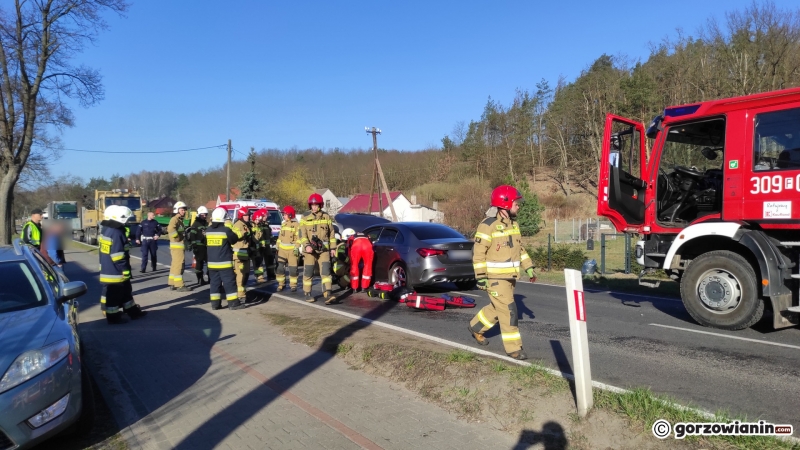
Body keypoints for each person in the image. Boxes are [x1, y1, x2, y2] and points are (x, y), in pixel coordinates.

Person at [467, 185, 536, 361]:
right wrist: (481, 277)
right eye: (516, 203)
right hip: (495, 279)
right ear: (505, 205)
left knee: (497, 308)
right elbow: (478, 253)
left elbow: (519, 249)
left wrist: (528, 266)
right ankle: (513, 348)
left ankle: (475, 327)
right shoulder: (487, 226)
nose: (518, 206)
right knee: (509, 311)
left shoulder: (514, 225)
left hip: (510, 278)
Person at [98, 205, 147, 324]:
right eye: (127, 219)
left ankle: (133, 312)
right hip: (116, 271)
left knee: (125, 291)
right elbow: (117, 255)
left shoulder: (107, 229)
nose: (128, 222)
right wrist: (125, 270)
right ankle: (113, 318)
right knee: (114, 296)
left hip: (108, 268)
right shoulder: (116, 232)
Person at [297, 193, 336, 304]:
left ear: (320, 205)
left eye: (316, 205)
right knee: (309, 272)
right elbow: (302, 234)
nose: (314, 207)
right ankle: (308, 294)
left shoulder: (326, 217)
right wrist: (307, 246)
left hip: (323, 250)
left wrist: (333, 248)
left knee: (326, 272)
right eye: (312, 205)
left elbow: (331, 234)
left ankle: (327, 294)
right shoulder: (304, 217)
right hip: (310, 251)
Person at [206, 207, 245, 310]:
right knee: (229, 282)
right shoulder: (226, 230)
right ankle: (233, 304)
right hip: (224, 263)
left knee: (214, 283)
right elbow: (234, 240)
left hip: (211, 264)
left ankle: (215, 304)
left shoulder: (208, 230)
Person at [275, 206, 299, 292]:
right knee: (280, 268)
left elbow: (298, 238)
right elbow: (280, 236)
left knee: (293, 269)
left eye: (285, 214)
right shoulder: (283, 224)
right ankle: (281, 284)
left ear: (290, 215)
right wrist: (277, 245)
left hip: (292, 251)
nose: (283, 216)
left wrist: (297, 247)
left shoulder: (296, 225)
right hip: (282, 250)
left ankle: (293, 285)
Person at [168, 201, 190, 292]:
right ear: (177, 210)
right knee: (179, 265)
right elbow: (170, 229)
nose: (184, 211)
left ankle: (172, 282)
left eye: (184, 210)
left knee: (174, 265)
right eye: (182, 210)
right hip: (177, 246)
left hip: (177, 246)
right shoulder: (175, 219)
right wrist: (177, 238)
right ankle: (179, 285)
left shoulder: (180, 220)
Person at [231, 208, 253, 303]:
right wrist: (245, 233)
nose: (248, 216)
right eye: (246, 215)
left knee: (246, 274)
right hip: (238, 255)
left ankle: (242, 292)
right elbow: (235, 235)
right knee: (240, 275)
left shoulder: (246, 224)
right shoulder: (237, 224)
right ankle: (240, 295)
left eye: (248, 215)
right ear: (241, 216)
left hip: (246, 254)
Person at [188, 206, 209, 286]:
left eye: (206, 215)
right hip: (199, 247)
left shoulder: (206, 223)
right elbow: (192, 235)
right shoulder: (195, 224)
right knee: (199, 264)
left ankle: (210, 278)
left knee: (209, 263)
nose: (205, 216)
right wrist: (194, 246)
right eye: (203, 215)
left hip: (206, 246)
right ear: (199, 215)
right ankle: (200, 279)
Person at [348, 229, 374, 293]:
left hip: (356, 246)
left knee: (354, 265)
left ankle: (354, 288)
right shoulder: (367, 236)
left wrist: (350, 259)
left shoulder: (352, 236)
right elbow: (372, 245)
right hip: (367, 246)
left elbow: (349, 249)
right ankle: (364, 287)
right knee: (368, 265)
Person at [251, 208, 270, 284]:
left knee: (258, 262)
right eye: (257, 220)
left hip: (257, 248)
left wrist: (262, 244)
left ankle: (260, 277)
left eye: (259, 220)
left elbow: (261, 237)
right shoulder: (251, 226)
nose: (258, 221)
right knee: (252, 264)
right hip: (251, 247)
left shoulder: (258, 226)